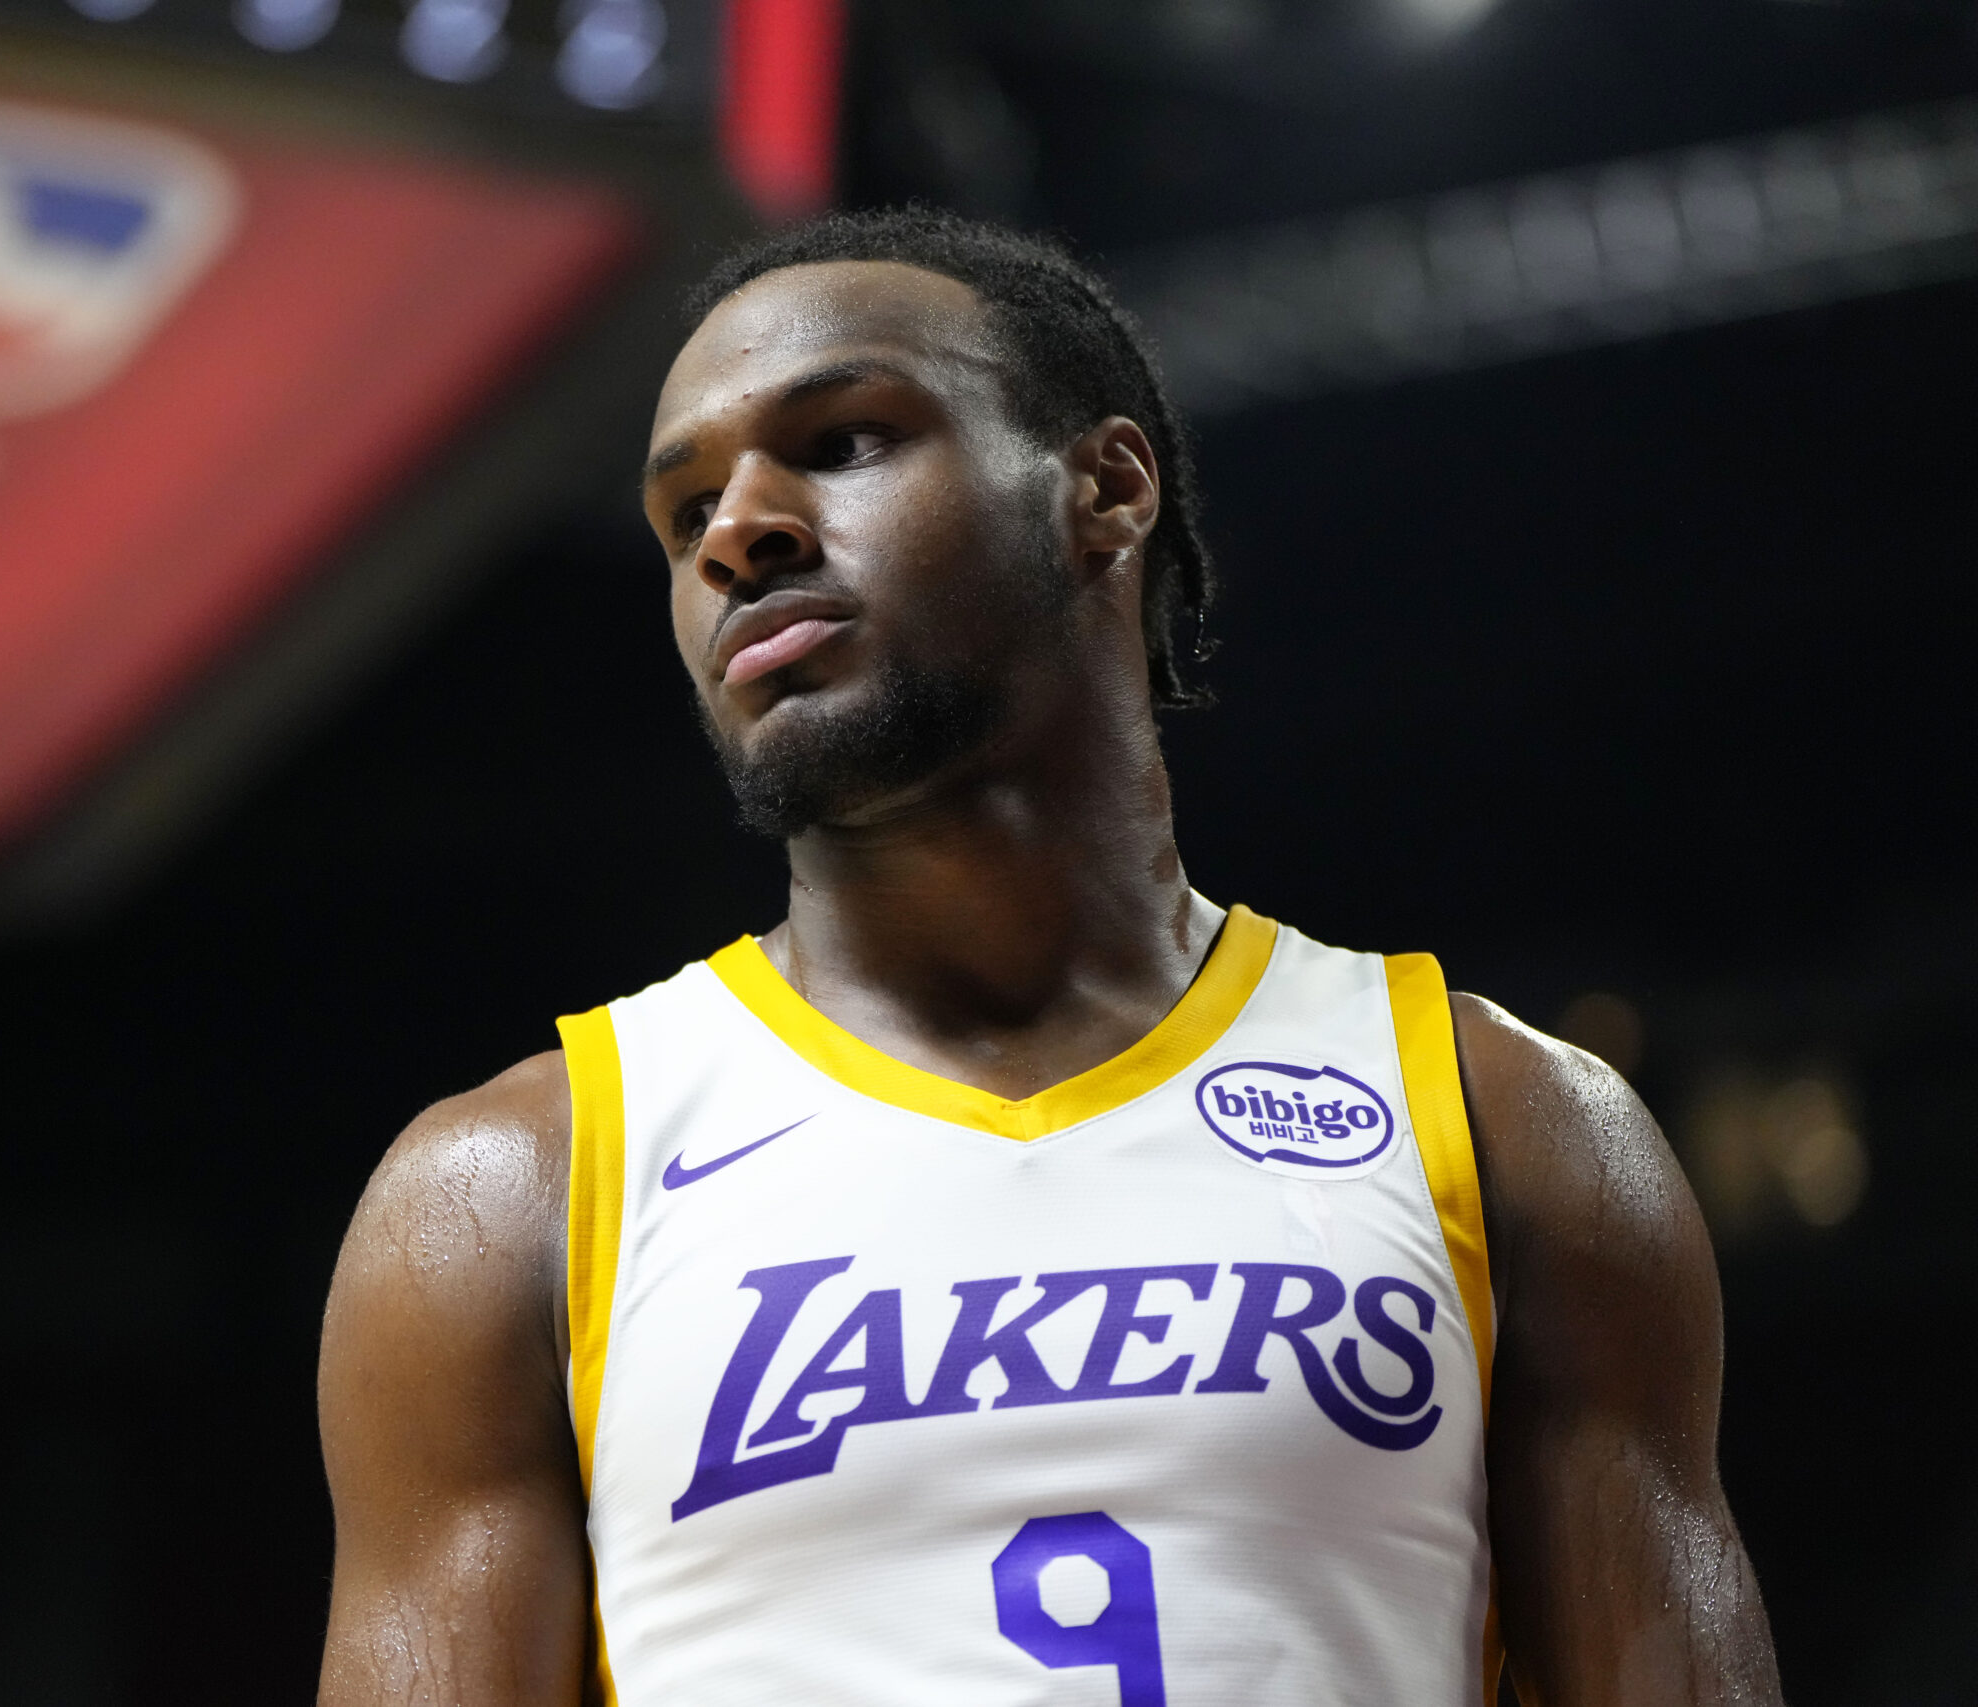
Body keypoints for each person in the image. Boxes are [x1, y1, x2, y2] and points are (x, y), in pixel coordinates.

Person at [315, 207, 1782, 1706]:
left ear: (1108, 488)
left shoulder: (1502, 1120)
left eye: (841, 441)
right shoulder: (511, 1192)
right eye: (684, 515)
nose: (738, 532)